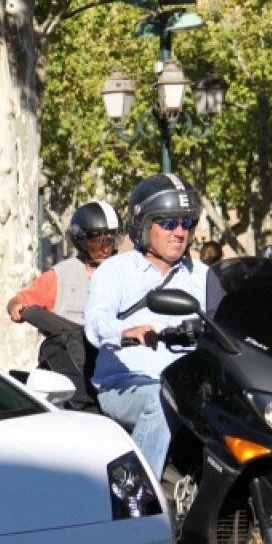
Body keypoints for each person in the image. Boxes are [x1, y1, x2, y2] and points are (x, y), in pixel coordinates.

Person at [84, 173, 209, 479]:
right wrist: (124, 332)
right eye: (168, 223)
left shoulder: (203, 276)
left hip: (194, 387)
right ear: (143, 225)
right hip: (127, 386)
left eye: (186, 223)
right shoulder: (116, 271)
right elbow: (96, 322)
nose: (179, 232)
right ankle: (139, 497)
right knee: (163, 397)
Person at [6, 200, 120, 411]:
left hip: (115, 364)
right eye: (98, 242)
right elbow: (22, 299)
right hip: (72, 369)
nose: (105, 249)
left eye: (110, 242)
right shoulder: (60, 275)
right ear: (82, 241)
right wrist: (16, 306)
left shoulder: (124, 271)